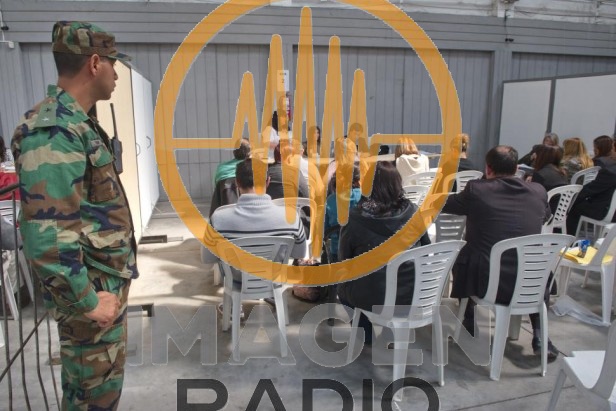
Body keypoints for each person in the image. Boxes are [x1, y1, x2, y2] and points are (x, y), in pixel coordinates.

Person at [11, 21, 137, 410]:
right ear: (95, 64)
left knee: (100, 393)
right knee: (90, 399)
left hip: (101, 289)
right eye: (113, 63)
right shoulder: (55, 131)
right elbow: (48, 238)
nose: (117, 74)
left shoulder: (77, 124)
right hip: (90, 299)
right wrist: (87, 302)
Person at [442, 146, 558, 358]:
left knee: (464, 256)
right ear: (516, 168)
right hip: (530, 283)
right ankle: (540, 335)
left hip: (488, 282)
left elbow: (446, 204)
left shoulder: (477, 190)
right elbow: (545, 216)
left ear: (488, 168)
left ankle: (469, 316)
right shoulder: (538, 191)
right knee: (533, 267)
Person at [337, 161, 431, 344]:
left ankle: (365, 335)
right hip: (411, 293)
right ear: (398, 184)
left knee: (342, 287)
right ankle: (390, 331)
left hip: (373, 296)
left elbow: (344, 261)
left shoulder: (355, 218)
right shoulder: (413, 211)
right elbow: (426, 249)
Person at [202, 158, 307, 270]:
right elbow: (299, 254)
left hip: (236, 280)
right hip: (275, 279)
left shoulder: (218, 219)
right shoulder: (291, 217)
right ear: (268, 181)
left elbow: (207, 258)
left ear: (237, 182)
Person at [566, 159, 616, 235]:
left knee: (574, 206)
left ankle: (568, 237)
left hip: (604, 212)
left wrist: (571, 197)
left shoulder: (610, 172)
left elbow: (590, 190)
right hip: (611, 211)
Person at [323, 165, 362, 263]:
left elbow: (324, 230)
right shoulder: (363, 196)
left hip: (338, 252)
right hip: (361, 251)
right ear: (357, 181)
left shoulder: (330, 201)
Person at [209, 138, 250, 218]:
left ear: (234, 152)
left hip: (224, 210)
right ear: (250, 152)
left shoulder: (221, 168)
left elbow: (215, 187)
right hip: (248, 212)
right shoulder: (251, 167)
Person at [530, 145, 568, 212]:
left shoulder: (540, 174)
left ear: (541, 156)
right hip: (559, 211)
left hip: (543, 212)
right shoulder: (562, 173)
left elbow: (533, 198)